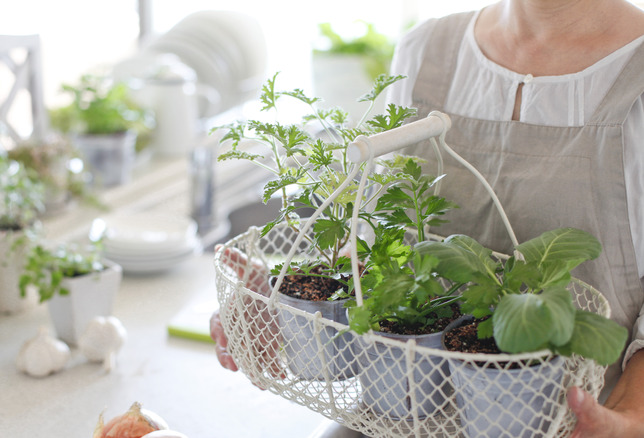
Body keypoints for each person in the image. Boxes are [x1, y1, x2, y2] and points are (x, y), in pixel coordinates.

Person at [211, 1, 644, 436]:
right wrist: (294, 304)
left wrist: (630, 418)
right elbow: (381, 246)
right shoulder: (427, 50)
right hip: (396, 416)